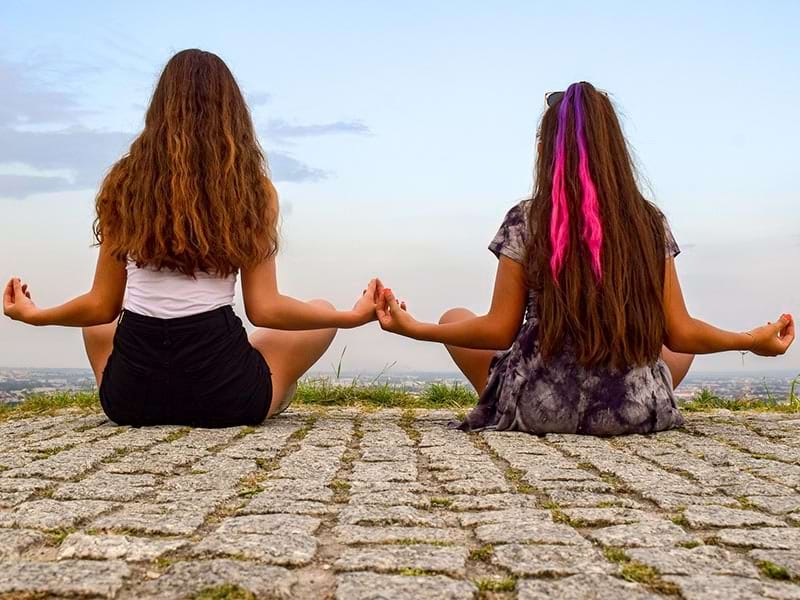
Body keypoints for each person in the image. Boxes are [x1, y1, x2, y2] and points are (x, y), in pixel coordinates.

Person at [374, 81, 795, 436]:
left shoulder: (527, 218)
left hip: (540, 406)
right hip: (629, 410)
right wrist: (749, 341)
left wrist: (416, 328)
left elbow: (499, 330)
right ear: (614, 149)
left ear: (546, 150)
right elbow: (681, 333)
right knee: (676, 348)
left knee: (453, 318)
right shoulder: (648, 222)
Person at [3, 49, 379, 428]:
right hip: (226, 395)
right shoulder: (252, 190)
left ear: (159, 108)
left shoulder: (125, 184)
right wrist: (347, 317)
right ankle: (277, 393)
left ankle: (196, 390)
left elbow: (102, 306)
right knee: (321, 312)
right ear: (233, 113)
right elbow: (264, 309)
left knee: (98, 325)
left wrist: (37, 316)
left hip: (131, 398)